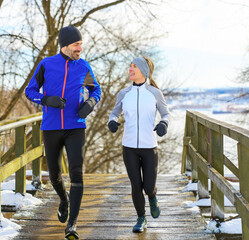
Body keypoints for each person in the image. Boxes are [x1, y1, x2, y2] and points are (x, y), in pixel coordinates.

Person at [25, 25, 101, 239]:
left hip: (76, 126)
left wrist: (91, 103)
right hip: (51, 127)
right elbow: (29, 91)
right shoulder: (47, 64)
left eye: (81, 44)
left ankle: (72, 224)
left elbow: (97, 89)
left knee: (76, 172)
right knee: (54, 173)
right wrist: (46, 99)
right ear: (65, 45)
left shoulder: (83, 66)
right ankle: (64, 200)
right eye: (77, 45)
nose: (80, 48)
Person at [107, 57, 169, 233]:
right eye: (130, 66)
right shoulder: (124, 93)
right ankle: (141, 218)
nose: (130, 69)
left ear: (143, 71)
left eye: (134, 67)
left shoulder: (155, 93)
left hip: (149, 146)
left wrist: (164, 124)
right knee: (136, 185)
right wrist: (112, 121)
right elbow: (115, 112)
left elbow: (166, 113)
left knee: (148, 186)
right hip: (129, 147)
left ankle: (152, 195)